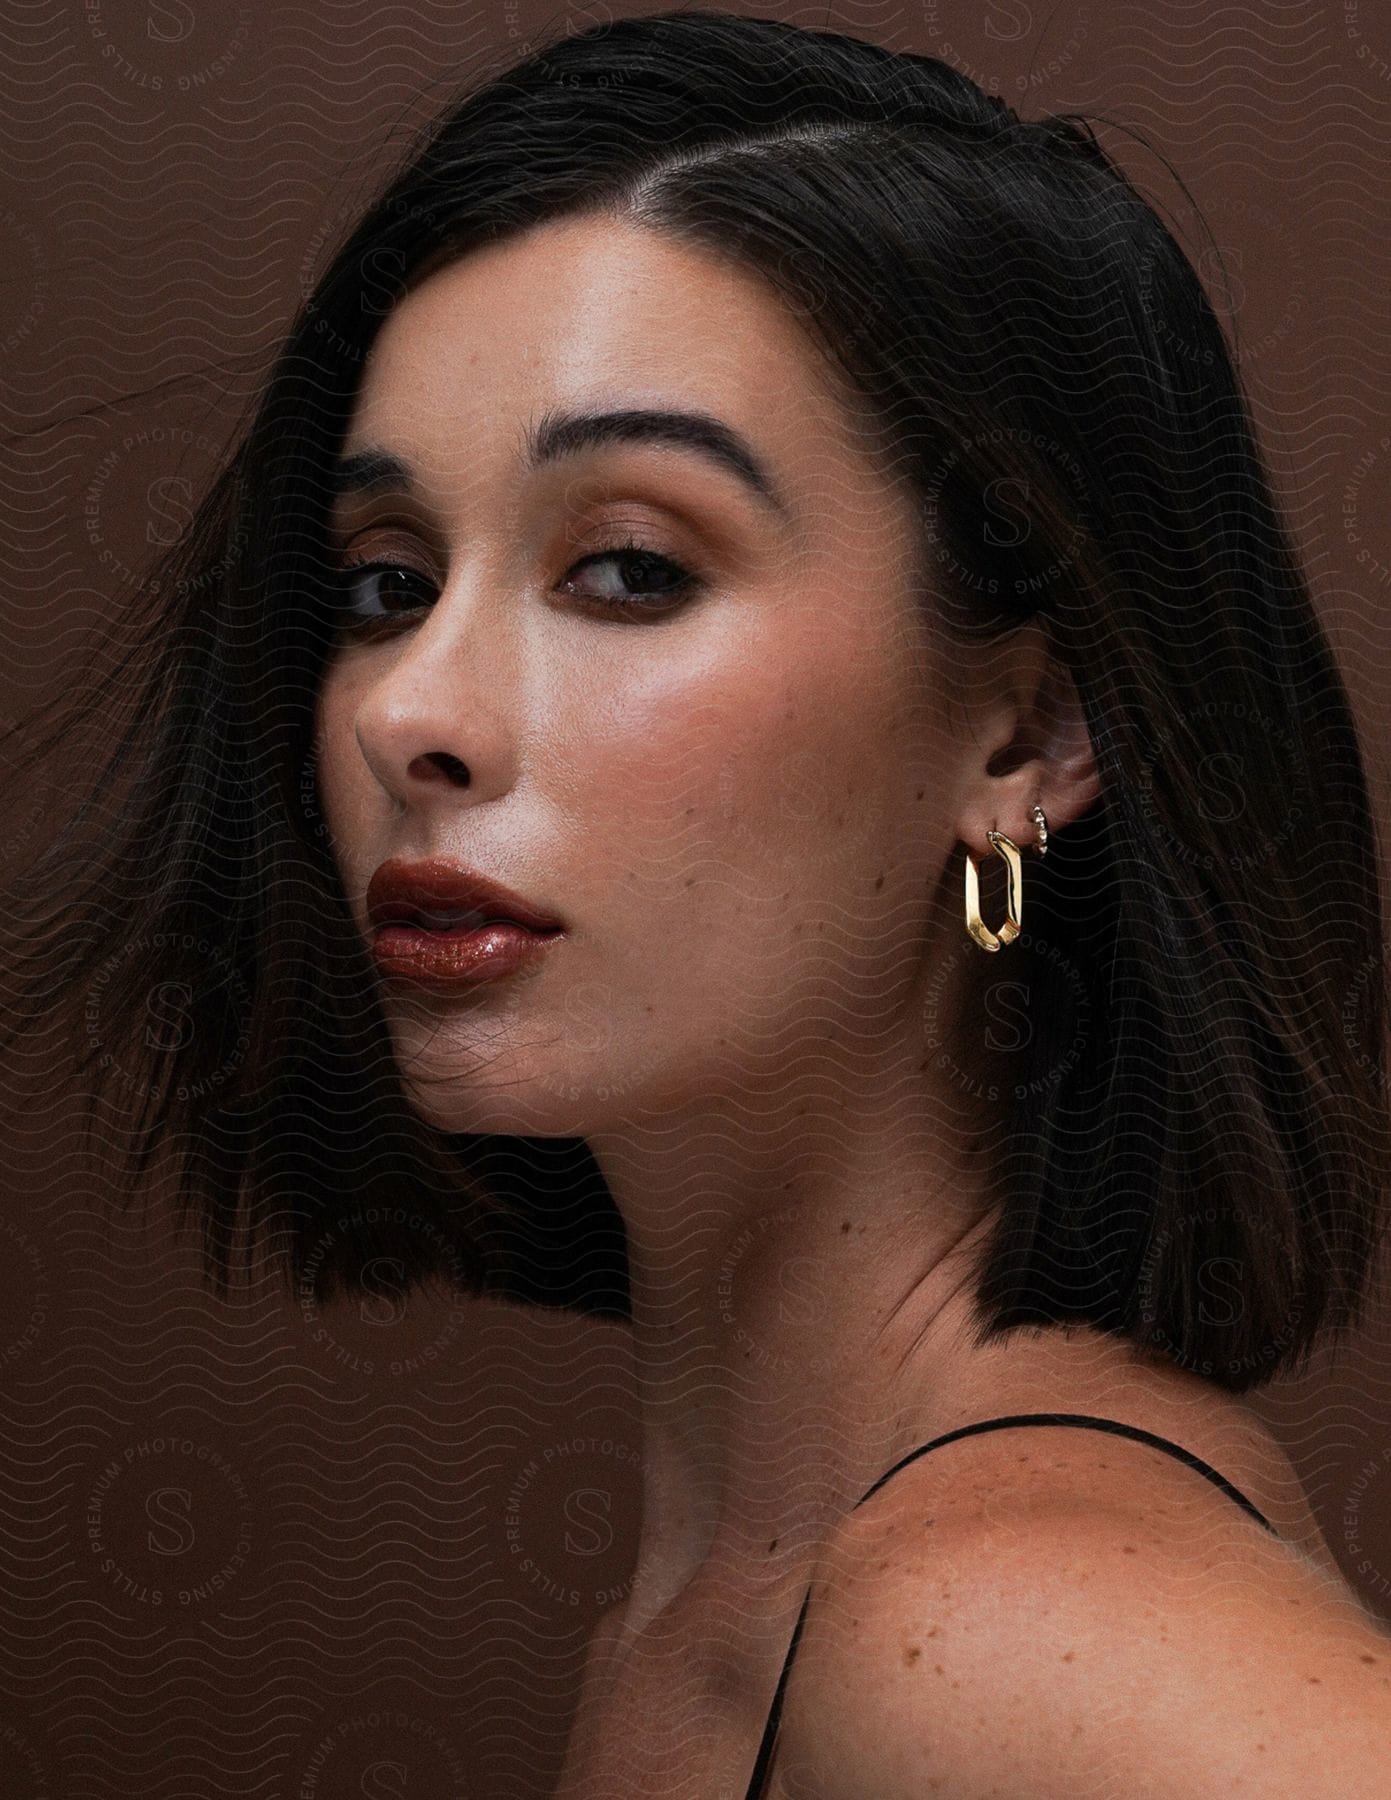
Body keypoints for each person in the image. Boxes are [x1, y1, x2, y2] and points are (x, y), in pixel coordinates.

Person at [6, 9, 1390, 1795]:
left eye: (631, 569)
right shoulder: (726, 1613)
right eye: (386, 579)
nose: (415, 710)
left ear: (1032, 728)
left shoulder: (1006, 1632)